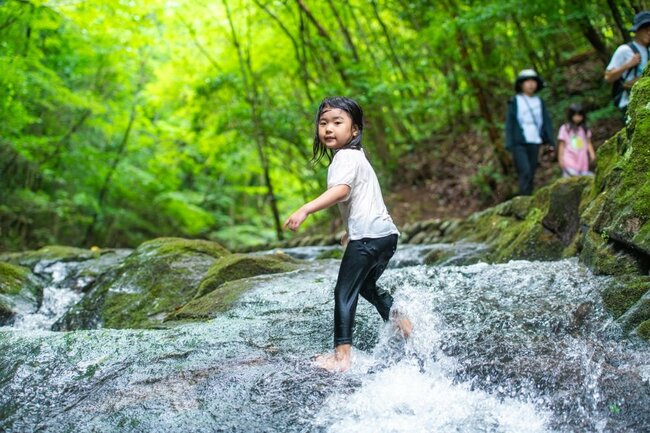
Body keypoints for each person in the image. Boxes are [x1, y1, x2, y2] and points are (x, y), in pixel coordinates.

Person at [284, 96, 412, 373]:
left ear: (354, 130)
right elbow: (364, 198)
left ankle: (342, 358)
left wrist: (305, 209)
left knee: (344, 292)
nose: (328, 129)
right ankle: (402, 324)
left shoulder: (344, 157)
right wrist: (349, 232)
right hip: (385, 236)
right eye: (323, 123)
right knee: (365, 287)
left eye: (337, 123)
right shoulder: (358, 157)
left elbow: (341, 191)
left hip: (367, 237)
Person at [505, 69, 556, 196]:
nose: (531, 84)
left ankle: (527, 197)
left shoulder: (539, 102)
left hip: (535, 139)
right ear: (521, 84)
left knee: (532, 171)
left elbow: (546, 122)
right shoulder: (515, 101)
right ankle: (523, 199)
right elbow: (510, 122)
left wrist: (550, 140)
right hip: (519, 141)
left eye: (533, 81)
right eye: (527, 81)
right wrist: (509, 143)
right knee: (525, 171)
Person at [605, 11, 650, 116]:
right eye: (646, 29)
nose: (649, 32)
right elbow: (608, 77)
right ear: (637, 30)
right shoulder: (624, 50)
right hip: (628, 103)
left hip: (646, 101)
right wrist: (627, 65)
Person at [557, 103, 596, 177]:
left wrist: (592, 155)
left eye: (579, 115)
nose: (577, 117)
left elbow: (588, 143)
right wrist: (560, 159)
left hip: (582, 160)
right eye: (575, 115)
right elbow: (561, 145)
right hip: (569, 159)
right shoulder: (565, 128)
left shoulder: (584, 129)